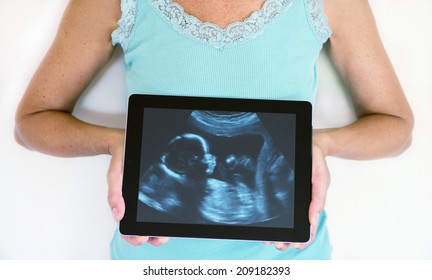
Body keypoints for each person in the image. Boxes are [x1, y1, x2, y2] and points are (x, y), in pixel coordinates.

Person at [14, 0, 413, 259]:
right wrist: (123, 144)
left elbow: (396, 126)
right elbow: (31, 123)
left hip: (291, 261)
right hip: (151, 263)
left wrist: (318, 145)